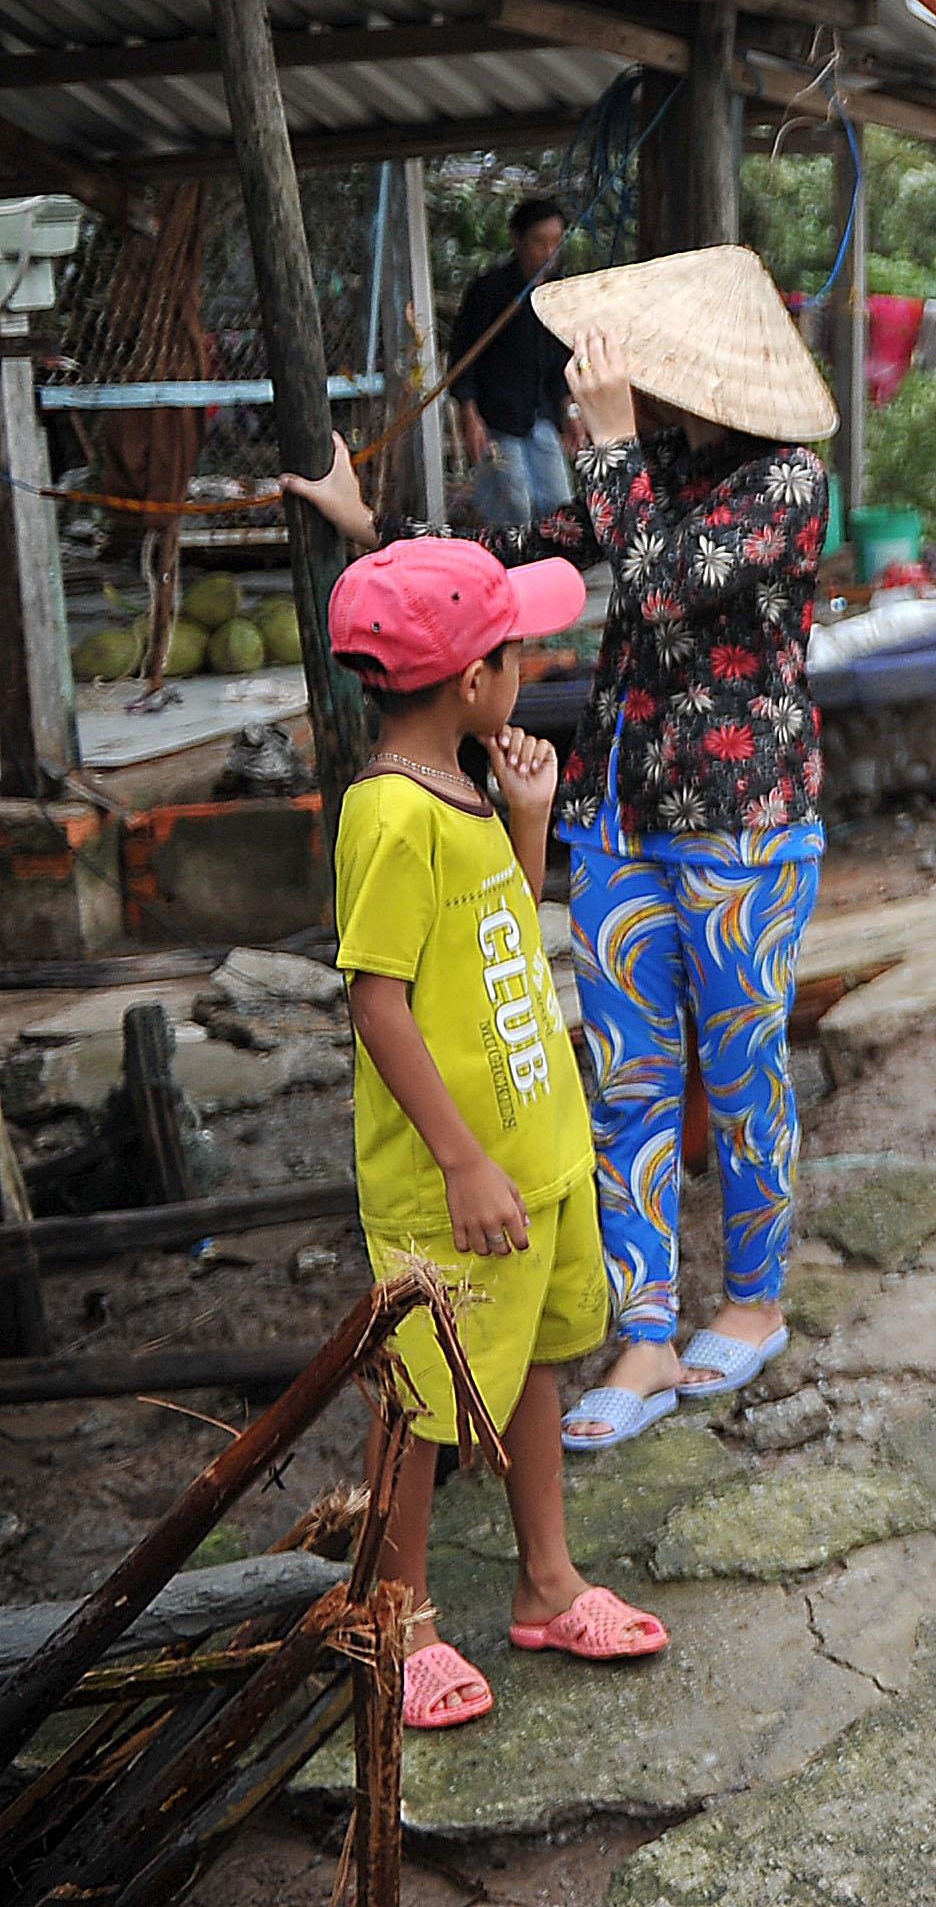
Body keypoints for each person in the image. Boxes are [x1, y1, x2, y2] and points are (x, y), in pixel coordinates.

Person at [291, 244, 839, 1454]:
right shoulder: (646, 466)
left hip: (743, 820)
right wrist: (373, 526)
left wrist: (601, 446)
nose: (617, 375)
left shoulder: (787, 484)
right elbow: (511, 568)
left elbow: (654, 587)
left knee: (742, 1072)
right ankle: (646, 1332)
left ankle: (752, 1299)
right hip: (617, 809)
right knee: (628, 1075)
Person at [325, 536, 671, 1728]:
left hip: (535, 1154)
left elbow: (500, 940)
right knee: (424, 1401)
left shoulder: (468, 789)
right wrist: (463, 1159)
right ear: (473, 681)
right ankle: (402, 1619)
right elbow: (375, 999)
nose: (530, 663)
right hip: (453, 1181)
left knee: (531, 1363)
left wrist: (529, 822)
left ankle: (545, 1581)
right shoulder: (388, 817)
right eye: (517, 647)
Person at [451, 198, 578, 535]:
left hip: (540, 415)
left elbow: (560, 362)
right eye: (540, 242)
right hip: (497, 418)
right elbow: (464, 358)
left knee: (557, 502)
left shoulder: (557, 292)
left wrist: (570, 413)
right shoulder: (489, 291)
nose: (549, 252)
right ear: (517, 240)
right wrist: (470, 415)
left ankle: (553, 573)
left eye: (556, 242)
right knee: (511, 504)